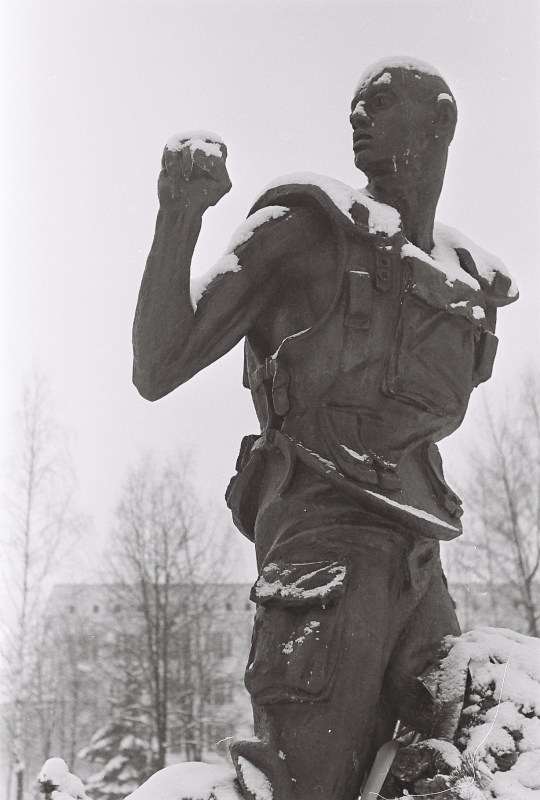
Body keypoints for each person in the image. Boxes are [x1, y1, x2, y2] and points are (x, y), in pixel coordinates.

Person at [133, 58, 517, 800]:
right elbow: (158, 365)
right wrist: (178, 214)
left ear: (440, 119)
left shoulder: (467, 286)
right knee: (306, 785)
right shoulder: (302, 233)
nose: (357, 117)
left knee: (459, 764)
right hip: (321, 550)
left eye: (378, 102)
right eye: (353, 106)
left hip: (420, 560)